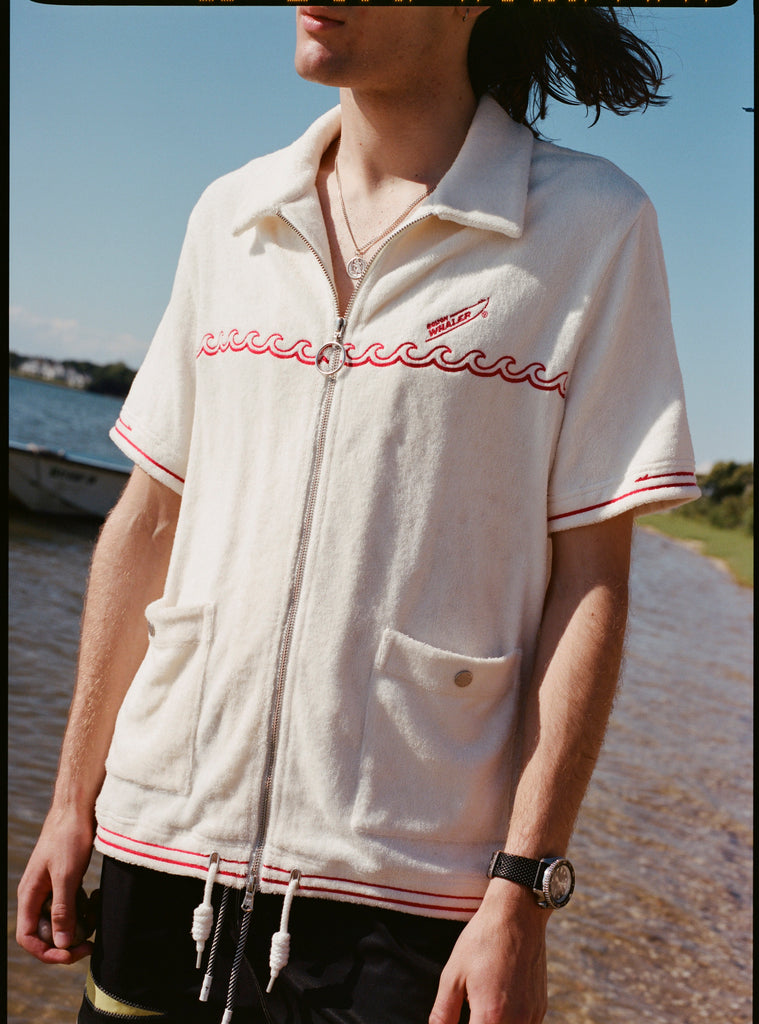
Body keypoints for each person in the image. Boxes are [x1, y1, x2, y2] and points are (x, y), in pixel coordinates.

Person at [17, 7, 700, 1023]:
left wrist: (521, 884)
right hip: (157, 840)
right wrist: (74, 798)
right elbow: (148, 518)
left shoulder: (592, 227)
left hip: (409, 888)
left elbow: (589, 577)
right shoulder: (231, 212)